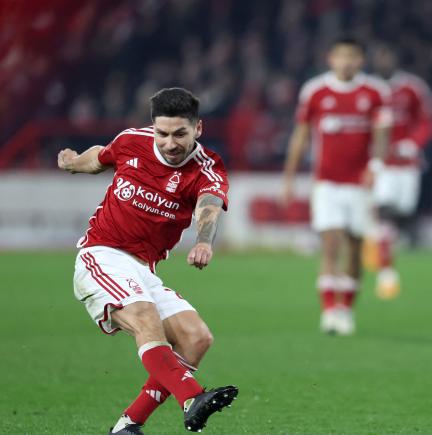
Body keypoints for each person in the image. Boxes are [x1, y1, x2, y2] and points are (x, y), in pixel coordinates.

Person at [57, 88, 238, 434]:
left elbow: (209, 205)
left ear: (198, 129)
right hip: (101, 254)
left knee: (196, 337)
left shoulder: (207, 167)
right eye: (163, 133)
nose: (170, 143)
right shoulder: (131, 141)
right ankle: (192, 396)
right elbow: (99, 159)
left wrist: (203, 241)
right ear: (153, 127)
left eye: (180, 134)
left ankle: (128, 426)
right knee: (145, 317)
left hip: (142, 269)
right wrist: (72, 163)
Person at [282, 37, 391, 335]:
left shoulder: (375, 92)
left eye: (352, 56)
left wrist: (376, 166)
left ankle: (346, 309)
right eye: (341, 56)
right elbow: (301, 135)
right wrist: (289, 177)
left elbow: (382, 136)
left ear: (361, 60)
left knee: (354, 248)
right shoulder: (315, 91)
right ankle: (329, 310)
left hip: (359, 184)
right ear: (331, 59)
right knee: (330, 244)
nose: (346, 62)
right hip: (326, 182)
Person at [367, 43, 432, 299]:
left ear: (394, 58)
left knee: (402, 215)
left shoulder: (412, 87)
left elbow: (427, 121)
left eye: (387, 54)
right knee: (383, 211)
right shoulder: (369, 89)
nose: (383, 59)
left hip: (407, 165)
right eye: (380, 55)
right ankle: (387, 273)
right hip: (381, 163)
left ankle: (383, 247)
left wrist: (413, 143)